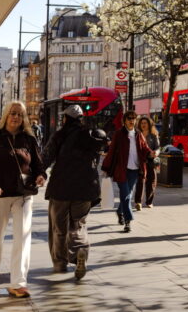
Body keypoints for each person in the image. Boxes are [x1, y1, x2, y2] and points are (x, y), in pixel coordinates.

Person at [0, 101, 46, 299]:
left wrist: (41, 176)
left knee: (22, 237)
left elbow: (39, 165)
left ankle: (19, 283)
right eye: (13, 113)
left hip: (23, 194)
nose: (16, 117)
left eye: (20, 114)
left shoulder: (29, 139)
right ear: (6, 115)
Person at [43, 105, 107, 280]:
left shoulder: (60, 135)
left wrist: (38, 175)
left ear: (66, 119)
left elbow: (46, 157)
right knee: (78, 224)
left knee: (59, 228)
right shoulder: (91, 136)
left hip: (61, 188)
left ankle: (60, 262)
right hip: (86, 188)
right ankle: (80, 251)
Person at [101, 110, 155, 233]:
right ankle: (128, 221)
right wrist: (105, 167)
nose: (132, 121)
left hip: (135, 170)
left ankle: (120, 211)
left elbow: (144, 148)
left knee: (127, 195)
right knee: (125, 195)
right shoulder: (119, 134)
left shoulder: (138, 134)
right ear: (124, 120)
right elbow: (112, 151)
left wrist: (150, 153)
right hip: (122, 170)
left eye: (133, 118)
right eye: (129, 118)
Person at [134, 116, 160, 210]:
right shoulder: (137, 134)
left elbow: (157, 147)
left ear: (149, 124)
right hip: (140, 160)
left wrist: (156, 153)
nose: (143, 125)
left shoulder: (154, 135)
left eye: (145, 123)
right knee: (140, 181)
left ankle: (149, 201)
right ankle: (138, 202)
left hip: (151, 160)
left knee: (151, 181)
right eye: (142, 123)